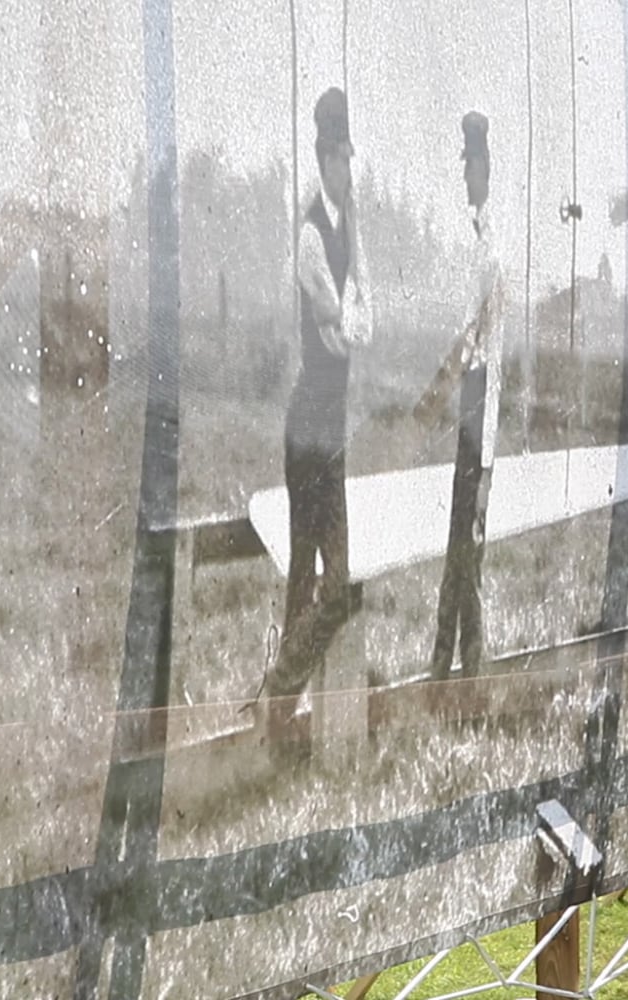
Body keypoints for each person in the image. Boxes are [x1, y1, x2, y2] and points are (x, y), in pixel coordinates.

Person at [264, 85, 372, 724]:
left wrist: (354, 312)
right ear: (322, 158)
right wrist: (350, 314)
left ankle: (281, 693)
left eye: (349, 158)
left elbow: (365, 317)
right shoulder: (309, 237)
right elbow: (338, 315)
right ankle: (282, 703)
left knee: (328, 582)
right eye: (337, 158)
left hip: (329, 425)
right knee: (313, 577)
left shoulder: (345, 227)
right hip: (308, 424)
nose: (345, 169)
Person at [417, 109, 504, 680]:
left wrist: (432, 398)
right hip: (472, 395)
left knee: (467, 536)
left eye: (473, 167)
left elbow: (473, 335)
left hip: (480, 394)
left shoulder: (490, 244)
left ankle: (461, 666)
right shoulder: (475, 237)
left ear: (486, 171)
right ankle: (446, 662)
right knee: (459, 536)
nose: (467, 177)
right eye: (464, 167)